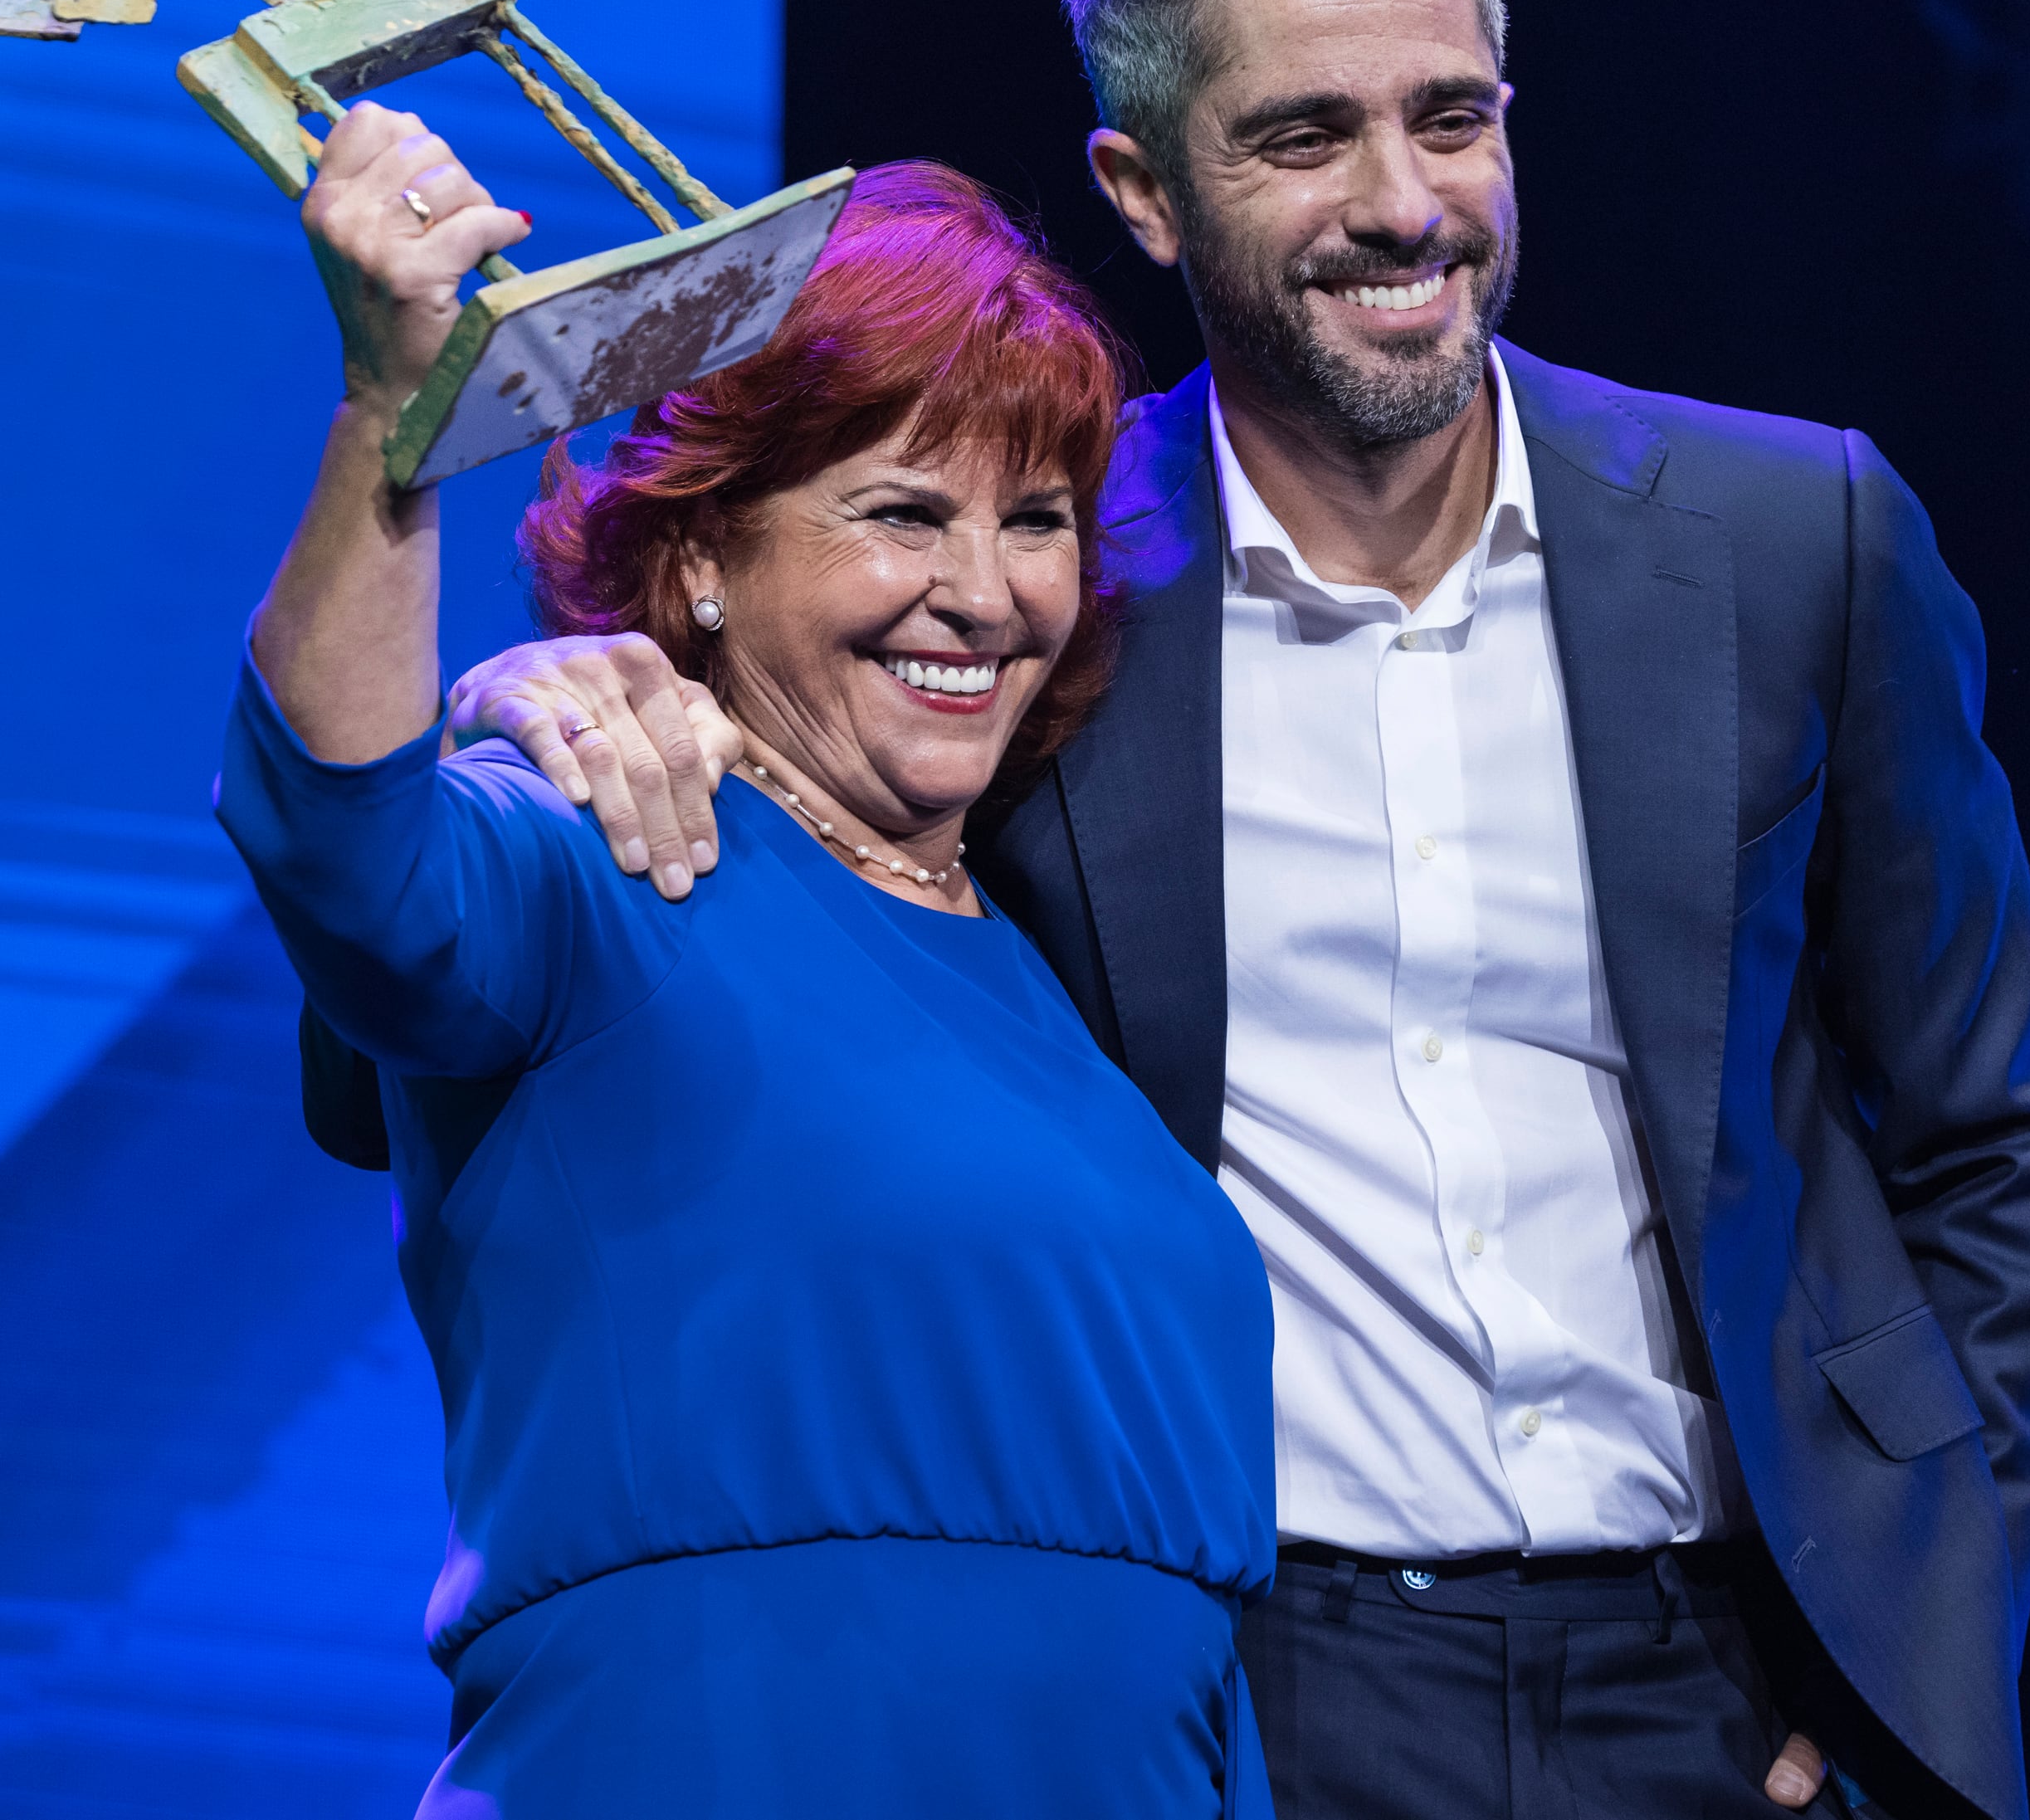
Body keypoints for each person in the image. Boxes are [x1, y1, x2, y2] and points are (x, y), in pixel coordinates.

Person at [453, 0, 2030, 1819]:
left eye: (1453, 115)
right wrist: (557, 681)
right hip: (1265, 1691)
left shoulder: (1793, 539)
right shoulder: (1045, 594)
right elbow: (771, 808)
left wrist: (1905, 1633)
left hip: (1732, 1685)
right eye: (1304, 136)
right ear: (1145, 193)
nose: (1403, 201)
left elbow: (1998, 1132)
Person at [221, 131, 1275, 1817]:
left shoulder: (1054, 985)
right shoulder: (605, 843)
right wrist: (391, 426)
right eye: (902, 512)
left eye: (1039, 520)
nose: (986, 593)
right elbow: (346, 855)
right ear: (705, 551)